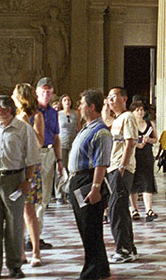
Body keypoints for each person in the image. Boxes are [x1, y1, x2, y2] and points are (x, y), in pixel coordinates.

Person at [0, 94, 41, 279]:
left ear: (8, 109)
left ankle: (14, 266)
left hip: (15, 180)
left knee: (14, 224)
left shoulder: (23, 128)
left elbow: (32, 157)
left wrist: (27, 180)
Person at [66, 89, 113, 280]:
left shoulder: (101, 132)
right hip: (79, 180)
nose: (79, 107)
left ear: (92, 107)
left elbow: (101, 163)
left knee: (89, 228)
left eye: (82, 104)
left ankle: (91, 271)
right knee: (87, 227)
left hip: (88, 181)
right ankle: (101, 267)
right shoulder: (87, 127)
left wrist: (95, 188)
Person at [12, 83, 45, 267]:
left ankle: (36, 251)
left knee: (29, 211)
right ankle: (21, 252)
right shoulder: (14, 117)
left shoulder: (36, 116)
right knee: (18, 211)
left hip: (31, 167)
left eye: (14, 94)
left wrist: (26, 123)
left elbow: (39, 142)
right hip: (17, 166)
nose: (12, 96)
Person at [106, 86, 139, 262]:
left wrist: (122, 166)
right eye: (109, 97)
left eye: (114, 97)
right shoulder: (116, 119)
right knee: (119, 210)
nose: (110, 100)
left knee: (117, 210)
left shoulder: (127, 117)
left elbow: (130, 142)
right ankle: (129, 247)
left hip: (121, 168)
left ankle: (123, 249)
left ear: (124, 99)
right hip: (114, 167)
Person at [34, 77, 63, 249]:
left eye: (48, 91)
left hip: (48, 153)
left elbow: (56, 137)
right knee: (31, 196)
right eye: (43, 91)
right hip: (33, 154)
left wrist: (59, 160)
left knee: (44, 196)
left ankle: (36, 235)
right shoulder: (30, 111)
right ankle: (28, 234)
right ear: (37, 92)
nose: (46, 94)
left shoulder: (53, 113)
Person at [129, 100, 159, 221]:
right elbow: (127, 139)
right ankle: (134, 209)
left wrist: (148, 140)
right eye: (137, 110)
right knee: (134, 182)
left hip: (146, 154)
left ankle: (148, 209)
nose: (140, 112)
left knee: (147, 180)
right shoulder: (130, 124)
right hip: (134, 155)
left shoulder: (149, 123)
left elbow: (155, 139)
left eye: (141, 110)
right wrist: (137, 144)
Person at [57, 94, 79, 203]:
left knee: (72, 168)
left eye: (68, 100)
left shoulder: (76, 114)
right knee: (62, 168)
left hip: (73, 142)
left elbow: (78, 128)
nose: (67, 102)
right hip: (61, 143)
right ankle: (60, 193)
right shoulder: (58, 114)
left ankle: (70, 192)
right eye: (65, 100)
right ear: (61, 102)